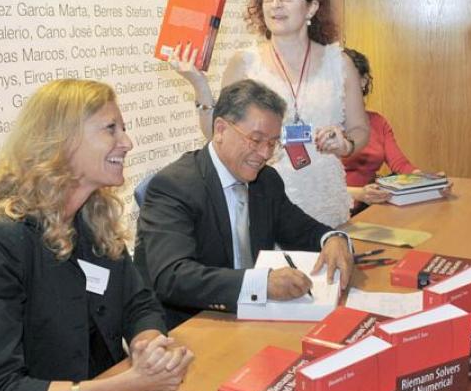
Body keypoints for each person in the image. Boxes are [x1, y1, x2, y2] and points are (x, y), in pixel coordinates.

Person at [0, 79, 193, 391]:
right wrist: (127, 385)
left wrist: (147, 346)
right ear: (63, 141)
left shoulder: (93, 219)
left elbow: (139, 305)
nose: (127, 142)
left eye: (124, 128)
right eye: (111, 129)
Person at [134, 79, 355, 329]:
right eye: (255, 139)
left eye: (272, 143)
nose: (264, 154)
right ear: (220, 130)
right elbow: (173, 276)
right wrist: (261, 284)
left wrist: (333, 239)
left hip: (254, 318)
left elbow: (301, 229)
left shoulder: (266, 180)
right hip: (195, 325)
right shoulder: (175, 185)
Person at [174, 0, 370, 228]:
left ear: (311, 6)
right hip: (263, 202)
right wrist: (199, 85)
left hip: (326, 202)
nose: (276, 3)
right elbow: (216, 135)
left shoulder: (339, 63)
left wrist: (345, 143)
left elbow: (360, 129)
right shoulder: (244, 63)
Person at [341, 48, 452, 211]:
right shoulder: (321, 125)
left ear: (363, 81)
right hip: (334, 212)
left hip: (368, 208)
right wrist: (359, 194)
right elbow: (314, 187)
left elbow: (400, 164)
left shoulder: (378, 122)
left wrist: (432, 183)